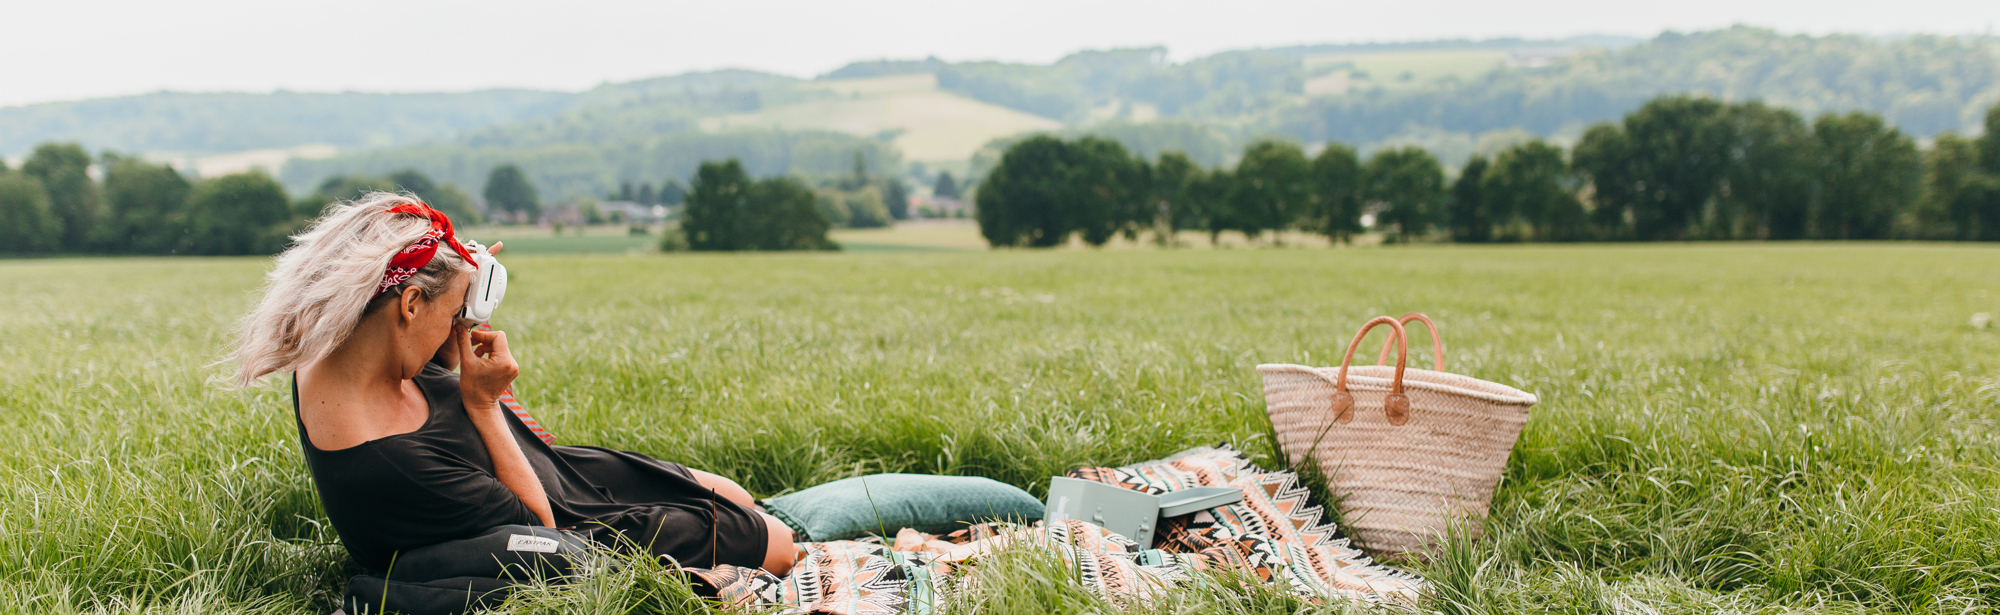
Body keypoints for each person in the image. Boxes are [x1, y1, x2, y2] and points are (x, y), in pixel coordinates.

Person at [224, 193, 797, 575]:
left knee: (736, 494)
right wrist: (482, 400)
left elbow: (413, 334)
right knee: (775, 541)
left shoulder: (342, 348)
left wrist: (458, 287)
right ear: (411, 303)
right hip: (560, 519)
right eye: (451, 315)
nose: (462, 328)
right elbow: (541, 529)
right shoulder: (391, 464)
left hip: (559, 471)